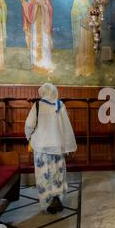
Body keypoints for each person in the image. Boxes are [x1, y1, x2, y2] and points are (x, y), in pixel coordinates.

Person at [25, 83, 77, 214]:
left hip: (41, 147)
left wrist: (29, 136)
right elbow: (66, 127)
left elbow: (29, 125)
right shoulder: (60, 105)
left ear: (42, 92)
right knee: (57, 173)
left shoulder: (37, 105)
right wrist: (69, 145)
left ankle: (46, 201)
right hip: (57, 146)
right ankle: (57, 198)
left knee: (43, 173)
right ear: (55, 92)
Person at [18, 0, 54, 73]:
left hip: (44, 24)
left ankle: (45, 65)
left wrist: (43, 5)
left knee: (45, 42)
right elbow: (28, 6)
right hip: (35, 23)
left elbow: (50, 9)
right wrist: (22, 0)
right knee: (35, 42)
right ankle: (35, 65)